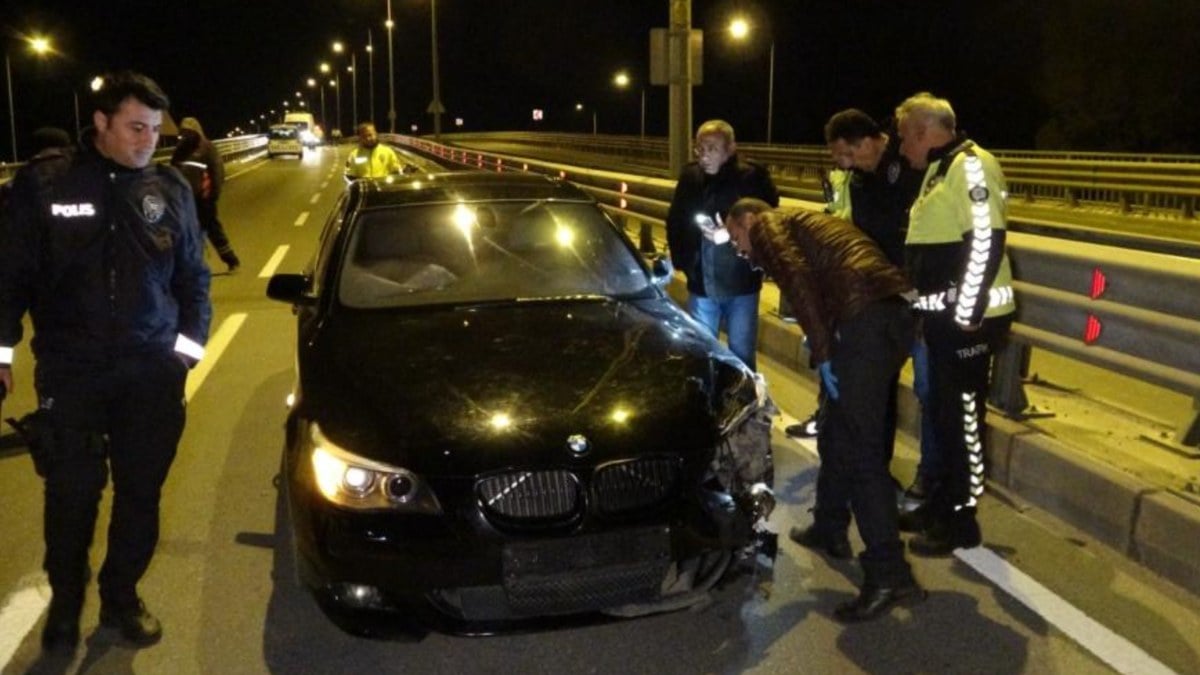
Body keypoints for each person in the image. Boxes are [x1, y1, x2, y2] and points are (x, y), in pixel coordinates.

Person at [0, 71, 213, 652]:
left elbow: (195, 280)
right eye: (134, 127)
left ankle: (122, 598)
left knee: (140, 494)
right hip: (73, 373)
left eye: (153, 129)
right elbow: (10, 277)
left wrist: (184, 358)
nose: (148, 139)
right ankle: (65, 604)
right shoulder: (45, 185)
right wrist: (1, 351)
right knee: (71, 495)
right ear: (100, 123)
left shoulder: (169, 188)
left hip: (150, 375)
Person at [724, 197, 925, 622]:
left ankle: (889, 573)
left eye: (736, 236)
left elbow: (797, 279)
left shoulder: (767, 224)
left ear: (747, 219)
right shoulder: (803, 220)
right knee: (836, 428)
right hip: (890, 314)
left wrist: (824, 351)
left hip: (865, 319)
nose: (740, 249)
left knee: (860, 448)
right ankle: (830, 525)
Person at [785, 110, 940, 520]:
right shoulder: (855, 180)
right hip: (876, 300)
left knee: (930, 392)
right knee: (879, 391)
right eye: (838, 155)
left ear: (872, 140)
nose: (844, 162)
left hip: (920, 297)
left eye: (848, 152)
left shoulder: (912, 166)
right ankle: (876, 473)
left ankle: (932, 481)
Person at [894, 92, 1017, 556]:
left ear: (926, 131)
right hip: (942, 320)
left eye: (905, 136)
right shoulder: (938, 169)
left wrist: (967, 312)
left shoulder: (970, 166)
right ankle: (940, 504)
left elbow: (986, 240)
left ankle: (962, 519)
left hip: (969, 324)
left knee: (963, 418)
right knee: (944, 418)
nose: (901, 146)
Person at [665, 119, 779, 371]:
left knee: (741, 353)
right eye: (699, 148)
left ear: (731, 148)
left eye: (712, 148)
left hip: (742, 283)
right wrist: (681, 259)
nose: (704, 155)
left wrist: (729, 232)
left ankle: (744, 403)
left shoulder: (752, 177)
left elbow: (769, 217)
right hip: (702, 281)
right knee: (703, 351)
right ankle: (707, 402)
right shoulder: (691, 176)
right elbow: (676, 219)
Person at [171, 116, 241, 272]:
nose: (186, 135)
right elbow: (173, 170)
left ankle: (231, 259)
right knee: (185, 231)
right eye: (184, 132)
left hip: (204, 198)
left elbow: (217, 172)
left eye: (189, 132)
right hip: (184, 199)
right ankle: (189, 264)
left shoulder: (207, 149)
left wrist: (213, 194)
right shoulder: (181, 150)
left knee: (212, 229)